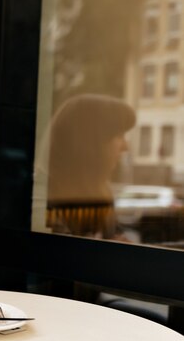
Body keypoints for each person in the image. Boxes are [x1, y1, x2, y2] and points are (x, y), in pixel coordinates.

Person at [43, 93, 136, 239]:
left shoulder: (101, 192)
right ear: (91, 143)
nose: (125, 147)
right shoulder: (42, 201)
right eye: (118, 136)